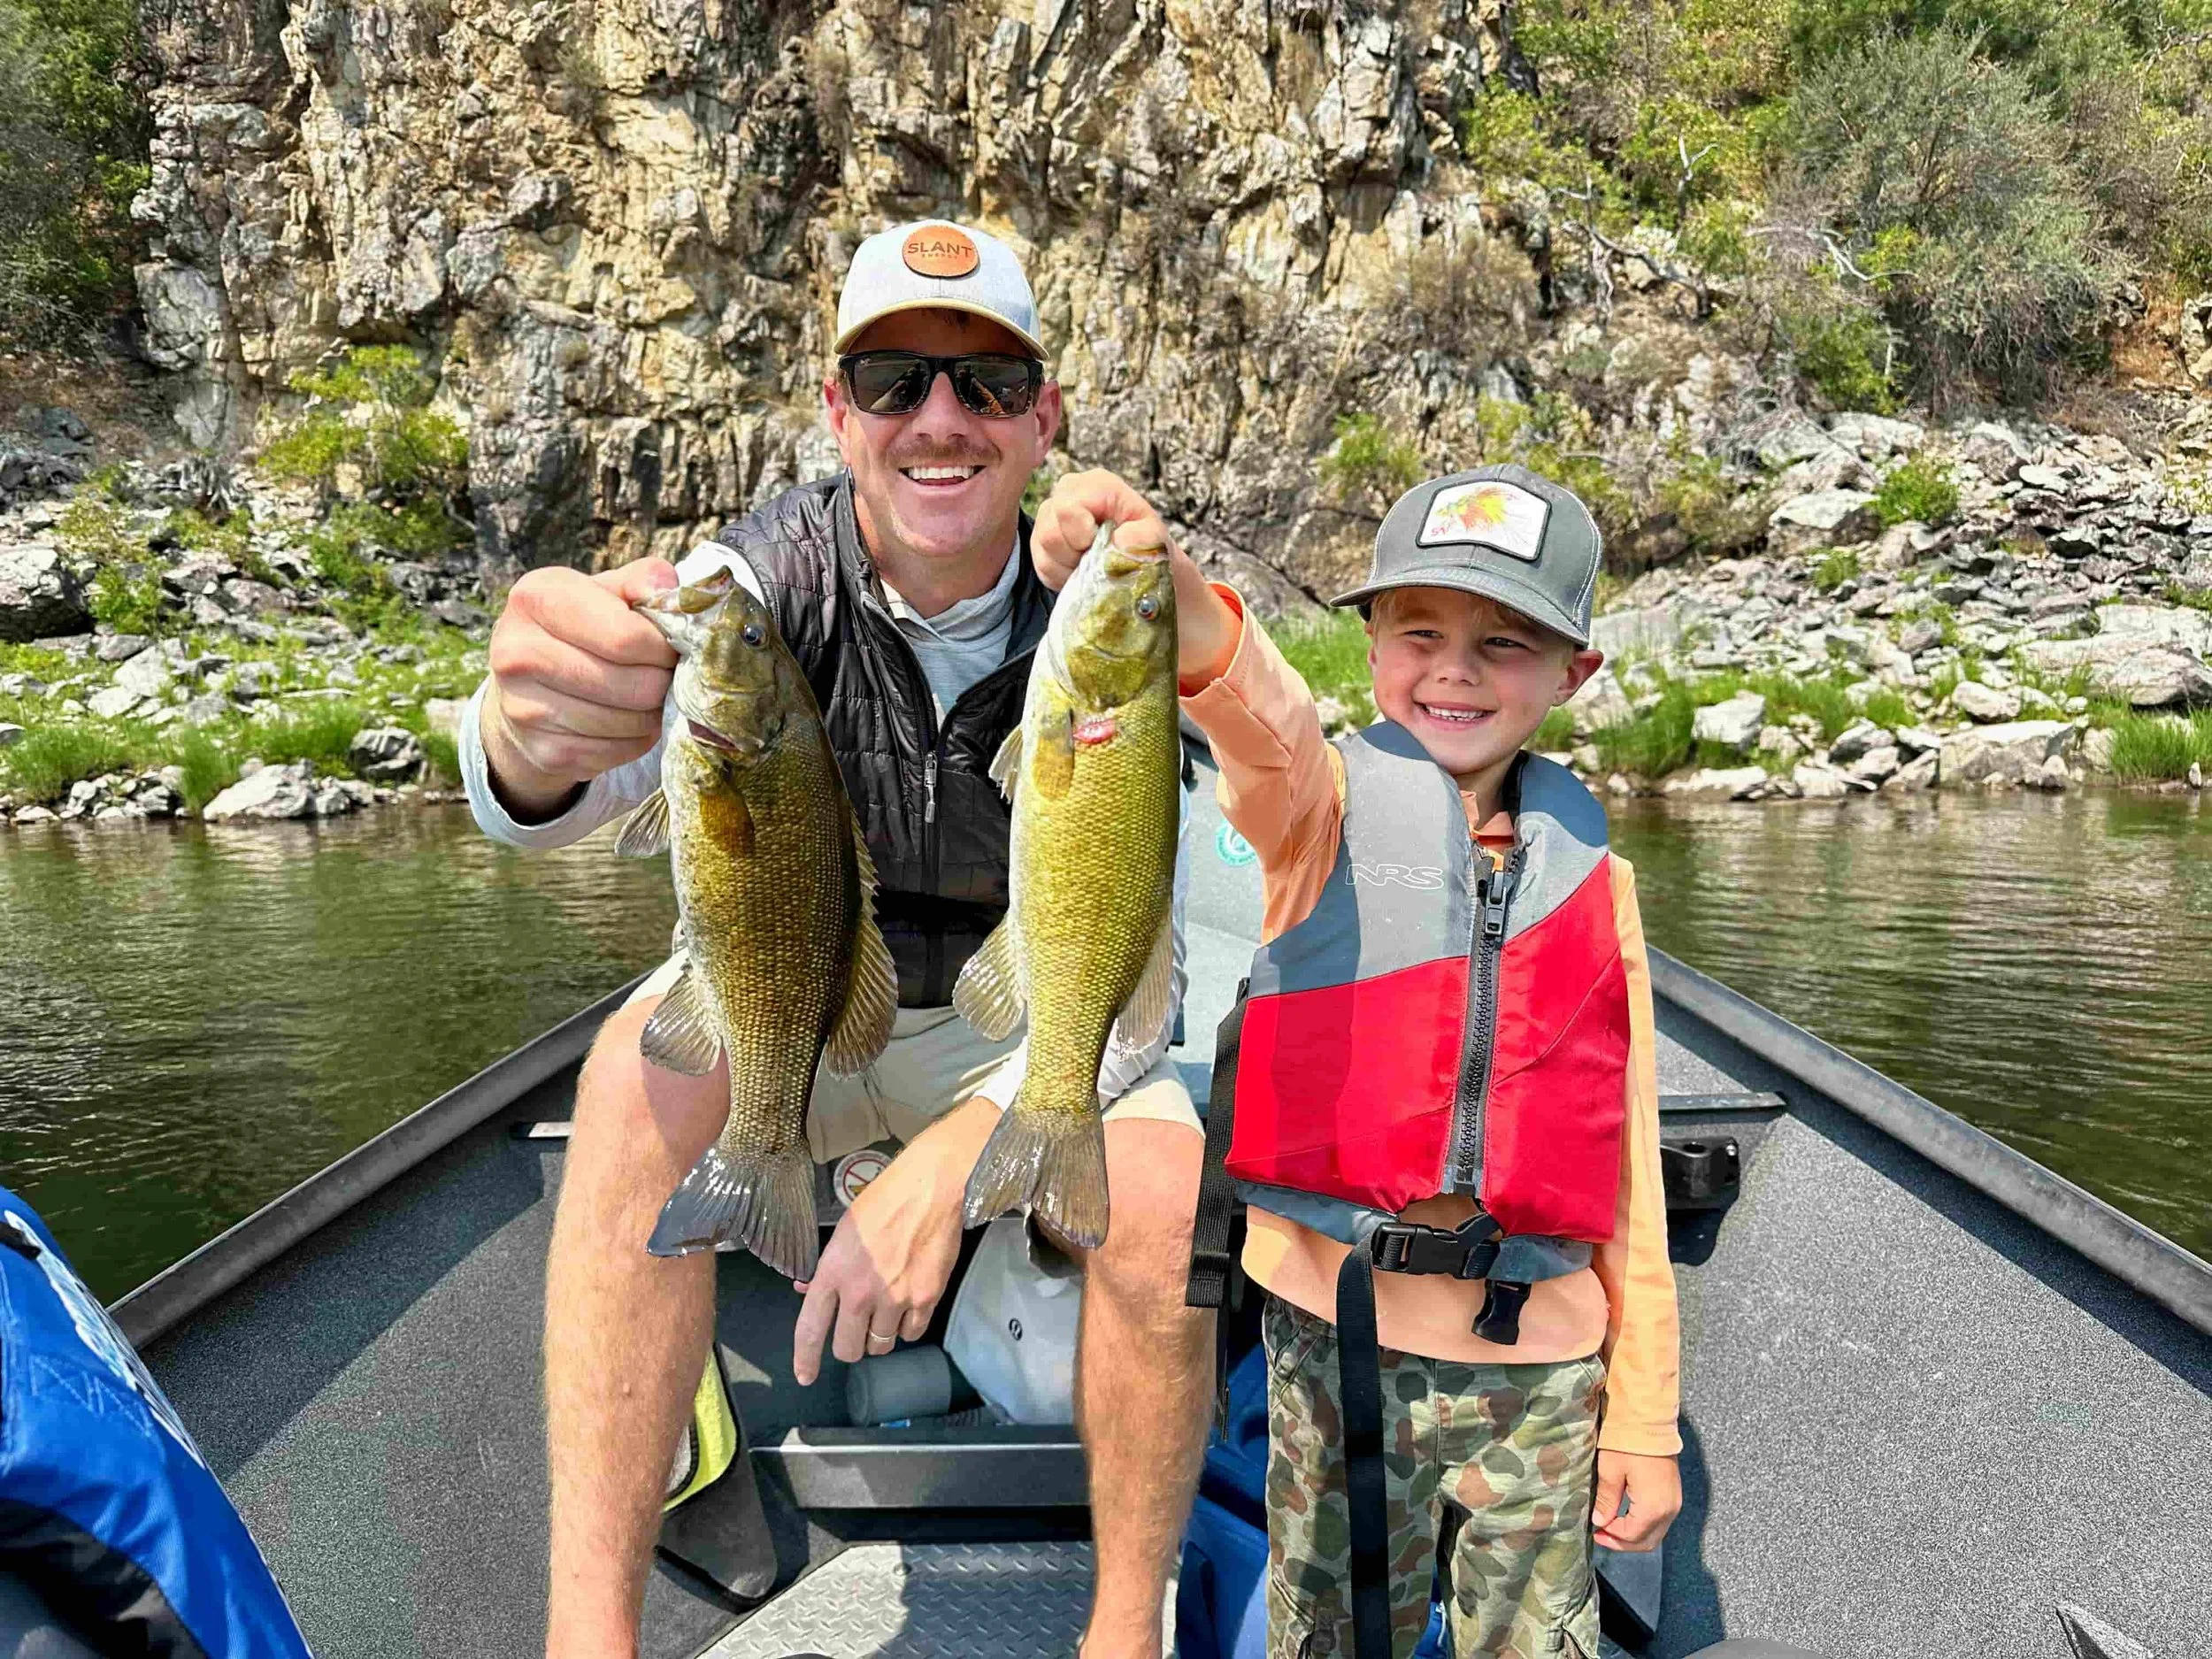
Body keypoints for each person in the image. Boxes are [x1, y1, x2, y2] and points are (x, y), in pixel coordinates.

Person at [459, 219, 1214, 1659]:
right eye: (891, 379)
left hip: (1023, 1029)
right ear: (835, 409)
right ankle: (588, 1642)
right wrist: (523, 735)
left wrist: (950, 1162)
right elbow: (549, 794)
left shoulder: (1101, 618)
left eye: (989, 383)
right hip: (801, 1010)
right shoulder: (752, 591)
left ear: (1044, 416)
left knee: (1169, 1194)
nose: (940, 418)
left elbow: (1132, 946)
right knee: (631, 1077)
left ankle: (1124, 1636)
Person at [1029, 465, 1681, 1659]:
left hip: (1541, 1369)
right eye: (1419, 632)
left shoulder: (1600, 883)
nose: (1454, 670)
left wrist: (1643, 1418)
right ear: (1373, 643)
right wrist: (1155, 574)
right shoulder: (1313, 809)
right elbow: (1252, 698)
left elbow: (1627, 1167)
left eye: (1505, 642)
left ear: (1575, 673)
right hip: (1337, 1344)